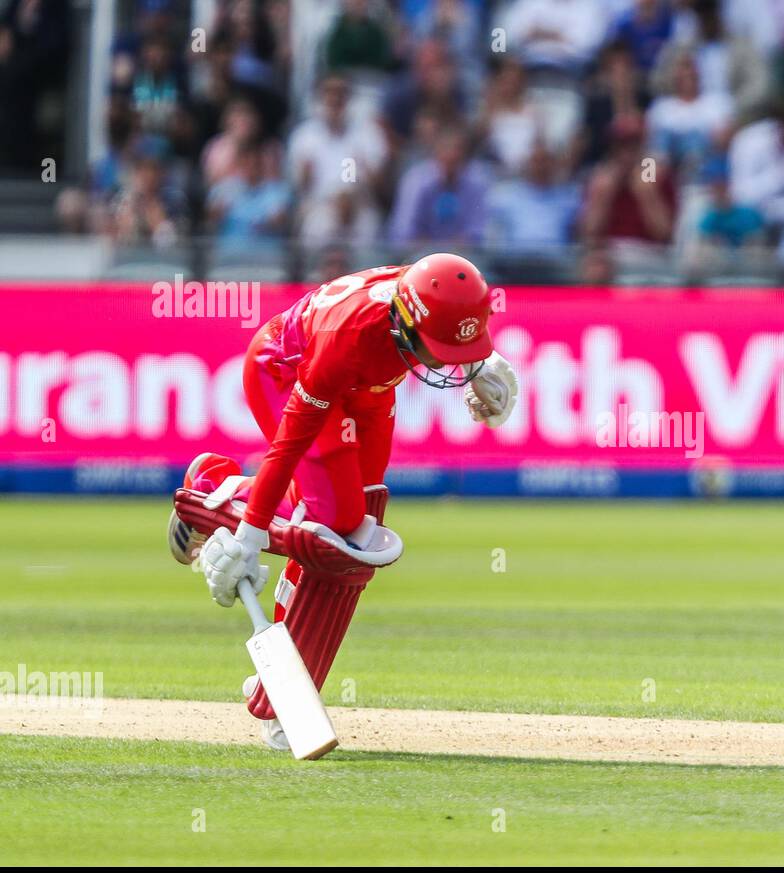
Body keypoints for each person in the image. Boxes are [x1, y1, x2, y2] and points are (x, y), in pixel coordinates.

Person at [166, 254, 519, 752]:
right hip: (287, 372)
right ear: (403, 323)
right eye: (440, 350)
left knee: (357, 533)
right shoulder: (346, 337)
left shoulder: (418, 293)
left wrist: (483, 360)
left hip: (370, 389)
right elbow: (289, 443)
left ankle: (279, 690)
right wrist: (248, 535)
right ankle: (211, 488)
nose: (444, 363)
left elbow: (444, 305)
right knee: (336, 522)